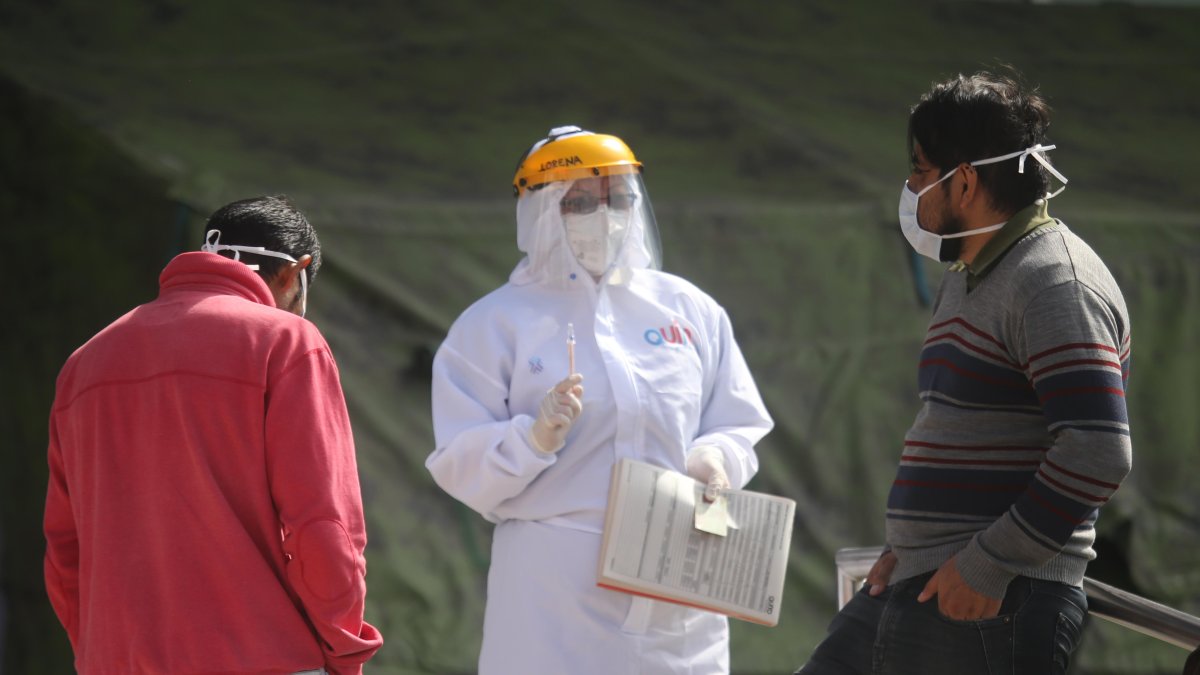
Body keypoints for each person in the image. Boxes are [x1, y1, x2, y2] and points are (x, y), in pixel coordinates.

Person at [795, 71, 1133, 674]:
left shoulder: (1054, 280)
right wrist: (909, 549)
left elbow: (1097, 450)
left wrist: (985, 565)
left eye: (920, 172)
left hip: (992, 600)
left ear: (967, 180)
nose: (909, 189)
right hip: (923, 580)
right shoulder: (969, 274)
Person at [426, 126, 773, 674]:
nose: (604, 215)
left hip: (677, 573)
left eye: (618, 198)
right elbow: (458, 463)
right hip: (553, 597)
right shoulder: (494, 323)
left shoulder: (687, 310)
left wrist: (717, 459)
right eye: (580, 202)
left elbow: (735, 421)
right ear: (539, 210)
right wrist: (531, 439)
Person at [43, 196, 383, 675]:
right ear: (295, 274)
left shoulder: (84, 364)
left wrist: (97, 652)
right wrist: (344, 649)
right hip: (260, 656)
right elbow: (323, 524)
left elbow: (64, 548)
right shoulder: (286, 341)